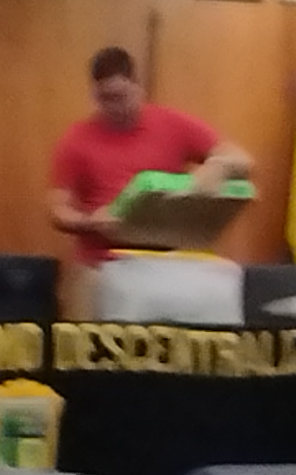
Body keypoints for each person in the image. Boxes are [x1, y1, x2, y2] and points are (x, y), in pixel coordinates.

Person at [48, 47, 252, 308]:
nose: (114, 107)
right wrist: (89, 222)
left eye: (120, 97)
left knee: (220, 289)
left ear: (138, 87)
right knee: (87, 295)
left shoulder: (171, 123)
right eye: (105, 99)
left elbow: (240, 158)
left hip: (167, 258)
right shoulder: (77, 139)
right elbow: (57, 209)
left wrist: (216, 169)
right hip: (102, 260)